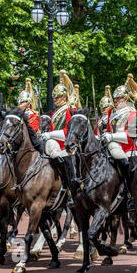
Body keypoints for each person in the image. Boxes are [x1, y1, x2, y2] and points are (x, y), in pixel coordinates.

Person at [101, 74, 137, 210]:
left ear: (125, 99)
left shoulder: (131, 113)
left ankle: (130, 195)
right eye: (115, 98)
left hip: (128, 149)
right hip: (111, 146)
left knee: (126, 165)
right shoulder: (111, 114)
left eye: (119, 98)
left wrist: (111, 137)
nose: (116, 100)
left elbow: (129, 135)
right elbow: (108, 130)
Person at [41, 70, 78, 207]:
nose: (54, 99)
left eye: (57, 97)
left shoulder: (69, 110)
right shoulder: (55, 112)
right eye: (54, 97)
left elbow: (69, 132)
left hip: (66, 146)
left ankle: (68, 186)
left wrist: (50, 135)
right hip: (54, 145)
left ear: (64, 97)